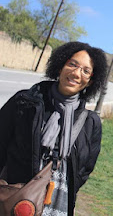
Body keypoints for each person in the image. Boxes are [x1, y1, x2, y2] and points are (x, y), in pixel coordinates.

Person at [0, 42, 107, 215]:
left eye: (86, 71)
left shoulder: (90, 122)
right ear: (60, 66)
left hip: (59, 202)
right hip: (16, 196)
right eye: (72, 64)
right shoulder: (25, 102)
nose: (76, 73)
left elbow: (84, 169)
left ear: (90, 81)